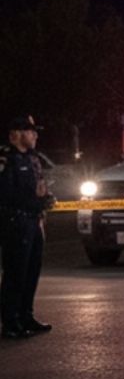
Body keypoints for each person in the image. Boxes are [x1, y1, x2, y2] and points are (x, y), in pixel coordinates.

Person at [0, 115, 54, 339]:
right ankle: (10, 321)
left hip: (33, 221)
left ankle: (26, 315)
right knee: (15, 273)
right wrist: (36, 201)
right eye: (31, 131)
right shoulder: (7, 159)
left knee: (32, 271)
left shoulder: (33, 159)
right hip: (15, 222)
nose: (35, 135)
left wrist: (46, 200)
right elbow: (6, 194)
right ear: (18, 134)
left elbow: (39, 187)